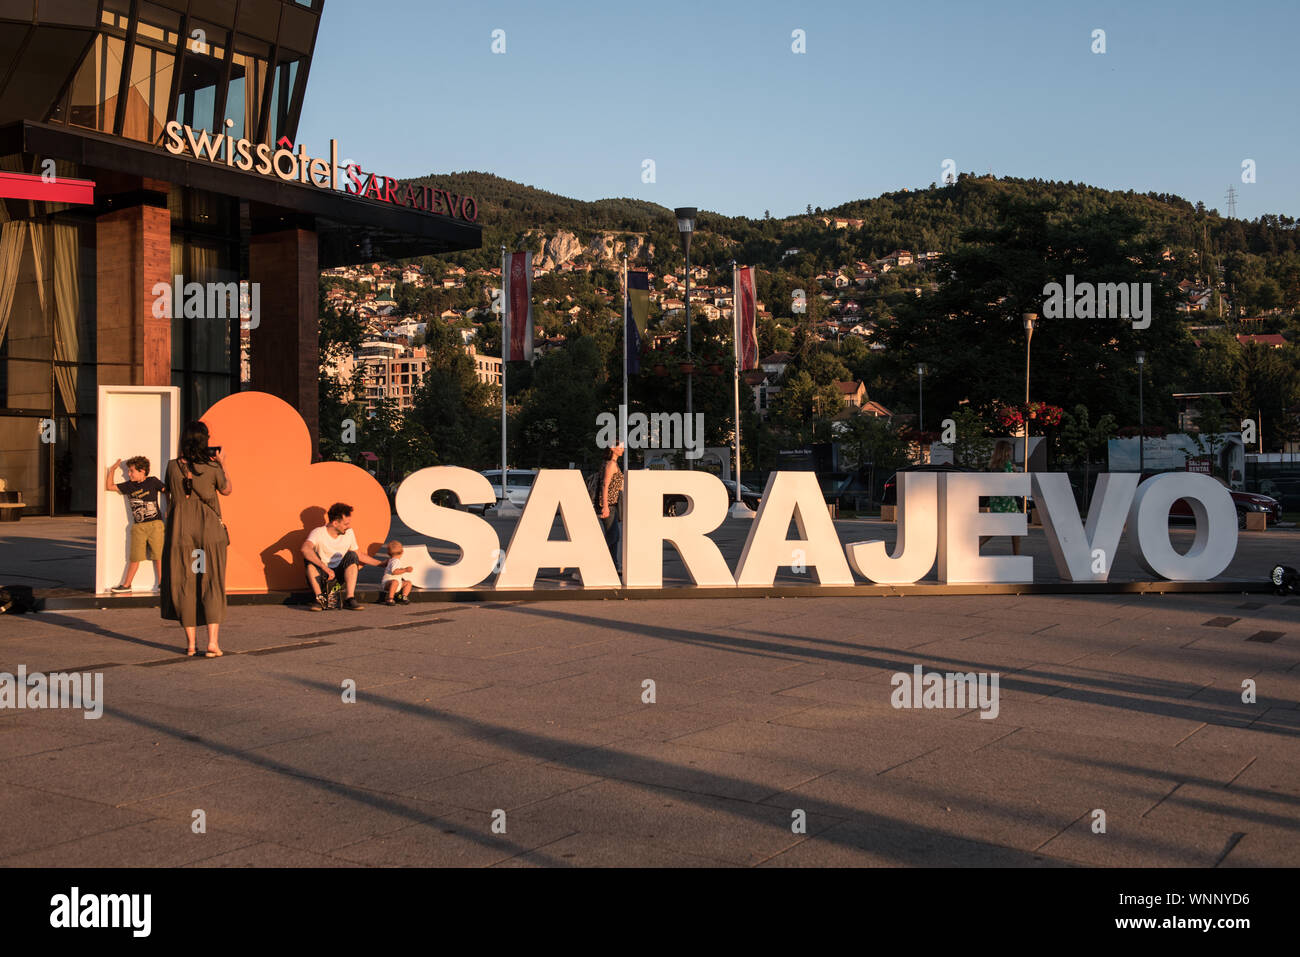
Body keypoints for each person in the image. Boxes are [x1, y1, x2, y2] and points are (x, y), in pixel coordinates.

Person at [161, 421, 231, 657]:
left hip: (181, 533)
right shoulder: (212, 468)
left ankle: (191, 644)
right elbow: (228, 490)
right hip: (210, 532)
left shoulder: (172, 467)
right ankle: (213, 643)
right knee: (211, 583)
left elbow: (169, 496)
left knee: (185, 584)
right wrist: (222, 465)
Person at [302, 502, 383, 611]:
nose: (348, 526)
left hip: (338, 577)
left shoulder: (349, 532)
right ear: (335, 523)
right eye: (345, 524)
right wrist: (324, 567)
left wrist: (382, 564)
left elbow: (359, 555)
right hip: (321, 576)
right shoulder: (318, 532)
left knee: (352, 555)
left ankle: (349, 598)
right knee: (310, 558)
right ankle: (319, 599)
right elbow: (305, 549)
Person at [105, 455, 166, 593]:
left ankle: (163, 584)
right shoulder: (129, 486)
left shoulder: (153, 481)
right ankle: (126, 585)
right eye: (128, 471)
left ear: (142, 471)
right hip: (138, 527)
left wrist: (169, 508)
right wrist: (112, 469)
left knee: (159, 555)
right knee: (135, 557)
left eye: (132, 471)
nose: (129, 474)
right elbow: (109, 486)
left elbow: (167, 491)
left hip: (155, 524)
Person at [980, 439, 1022, 556]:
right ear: (1006, 451)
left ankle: (979, 544)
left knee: (998, 525)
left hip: (995, 500)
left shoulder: (993, 465)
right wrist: (1016, 471)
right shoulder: (1007, 464)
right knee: (1015, 525)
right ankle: (1016, 554)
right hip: (1006, 501)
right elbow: (1012, 480)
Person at [595, 442, 625, 572]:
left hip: (613, 506)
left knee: (614, 536)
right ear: (613, 448)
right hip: (608, 506)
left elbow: (617, 485)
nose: (623, 449)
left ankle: (613, 566)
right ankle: (593, 562)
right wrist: (605, 506)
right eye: (621, 447)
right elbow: (605, 485)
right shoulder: (611, 464)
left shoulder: (613, 464)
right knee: (613, 536)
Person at [381, 540, 415, 605]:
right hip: (388, 583)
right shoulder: (395, 561)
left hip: (397, 583)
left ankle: (403, 596)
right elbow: (394, 572)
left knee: (408, 583)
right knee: (395, 582)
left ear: (388, 553)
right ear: (402, 552)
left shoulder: (392, 560)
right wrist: (405, 570)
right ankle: (390, 598)